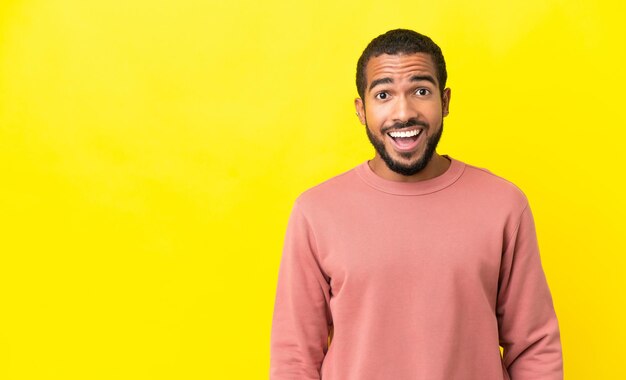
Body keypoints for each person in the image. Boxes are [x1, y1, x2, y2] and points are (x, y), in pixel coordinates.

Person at [270, 29, 562, 380]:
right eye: (383, 94)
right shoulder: (315, 212)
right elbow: (294, 357)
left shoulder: (504, 205)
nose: (403, 112)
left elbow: (534, 347)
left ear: (446, 101)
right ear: (361, 110)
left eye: (421, 91)